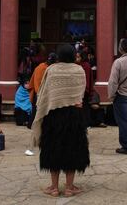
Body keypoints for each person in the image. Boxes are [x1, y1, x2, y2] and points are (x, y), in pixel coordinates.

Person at [31, 44, 89, 197]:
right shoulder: (79, 70)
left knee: (53, 149)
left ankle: (54, 187)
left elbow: (44, 93)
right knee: (73, 149)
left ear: (58, 56)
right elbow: (81, 93)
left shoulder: (52, 70)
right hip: (73, 115)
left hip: (54, 115)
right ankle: (69, 187)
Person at [25, 52, 58, 156]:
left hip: (41, 97)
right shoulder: (45, 69)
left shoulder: (42, 67)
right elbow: (42, 85)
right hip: (42, 98)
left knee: (41, 122)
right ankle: (31, 147)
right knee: (38, 122)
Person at [76, 51, 106, 128]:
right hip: (79, 89)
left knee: (85, 108)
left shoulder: (85, 66)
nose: (76, 59)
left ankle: (85, 123)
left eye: (78, 57)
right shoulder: (78, 66)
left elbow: (87, 79)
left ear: (82, 57)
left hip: (84, 90)